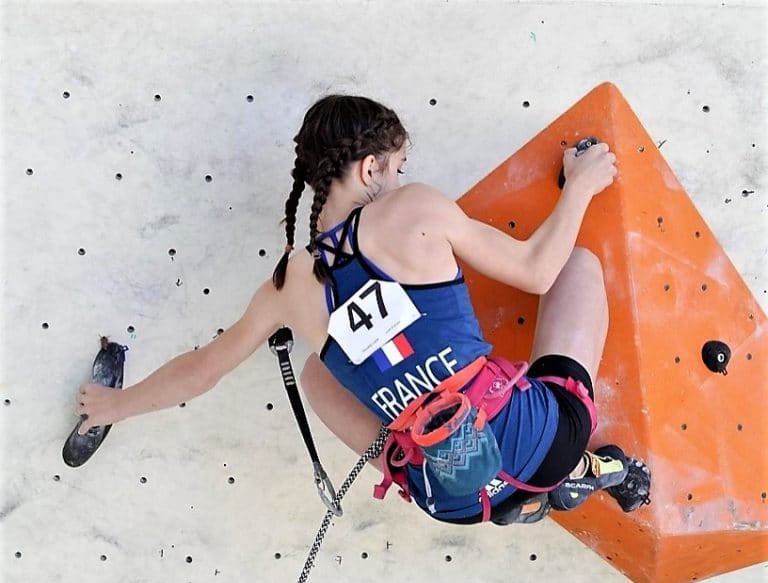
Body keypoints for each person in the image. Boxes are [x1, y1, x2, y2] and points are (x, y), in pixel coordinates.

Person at [75, 94, 649, 525]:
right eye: (396, 166)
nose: (402, 177)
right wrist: (580, 186)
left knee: (316, 376)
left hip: (450, 499)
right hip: (540, 445)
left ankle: (502, 489)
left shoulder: (287, 285)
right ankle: (576, 470)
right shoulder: (411, 209)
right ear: (370, 169)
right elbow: (536, 269)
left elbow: (203, 369)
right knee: (578, 268)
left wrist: (115, 406)